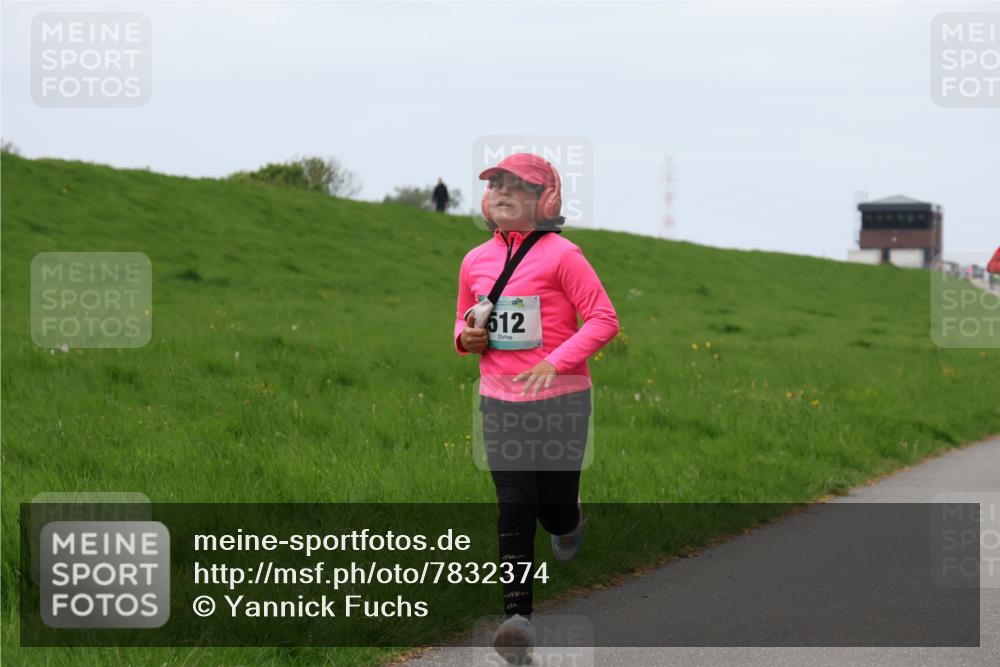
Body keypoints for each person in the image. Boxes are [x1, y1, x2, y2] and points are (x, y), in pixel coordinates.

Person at [452, 153, 619, 663]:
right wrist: (466, 338)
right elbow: (463, 319)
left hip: (562, 401)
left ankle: (570, 520)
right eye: (496, 184)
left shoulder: (564, 255)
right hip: (499, 402)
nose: (503, 192)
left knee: (553, 509)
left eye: (518, 186)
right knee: (514, 505)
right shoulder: (474, 260)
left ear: (546, 201)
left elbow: (603, 318)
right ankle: (517, 619)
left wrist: (555, 362)